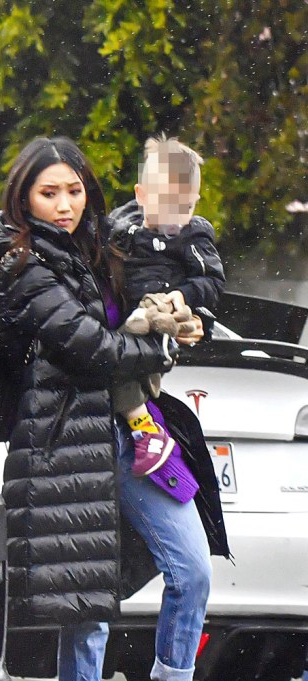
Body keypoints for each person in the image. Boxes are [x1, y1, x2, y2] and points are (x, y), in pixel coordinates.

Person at [0, 136, 228, 681]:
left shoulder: (104, 250)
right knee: (89, 597)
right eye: (47, 192)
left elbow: (160, 292)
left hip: (134, 430)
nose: (63, 205)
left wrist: (182, 319)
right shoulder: (22, 262)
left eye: (74, 190)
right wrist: (163, 348)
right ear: (23, 197)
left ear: (92, 192)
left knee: (192, 566)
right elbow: (90, 348)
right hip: (67, 440)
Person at [107, 135, 226, 477]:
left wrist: (185, 297)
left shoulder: (193, 236)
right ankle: (145, 429)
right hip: (132, 313)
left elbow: (213, 282)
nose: (177, 217)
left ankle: (146, 431)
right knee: (115, 355)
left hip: (165, 314)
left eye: (186, 207)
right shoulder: (121, 229)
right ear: (141, 196)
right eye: (168, 205)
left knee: (125, 357)